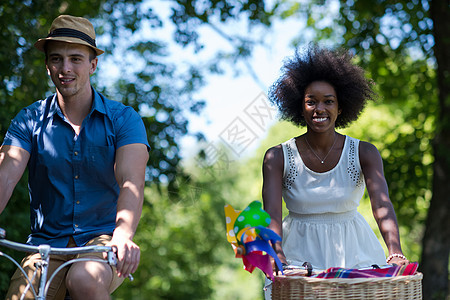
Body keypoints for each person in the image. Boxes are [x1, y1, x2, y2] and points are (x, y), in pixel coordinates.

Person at [0, 15, 149, 300]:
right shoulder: (29, 120)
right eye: (56, 59)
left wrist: (123, 235)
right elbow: (5, 176)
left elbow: (132, 180)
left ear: (93, 64)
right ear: (47, 65)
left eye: (76, 59)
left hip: (103, 241)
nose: (65, 68)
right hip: (46, 244)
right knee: (21, 296)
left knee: (84, 278)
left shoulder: (123, 120)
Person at [262, 45, 409, 297]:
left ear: (341, 108)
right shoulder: (277, 157)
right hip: (298, 257)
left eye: (328, 101)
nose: (320, 109)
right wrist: (276, 254)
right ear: (300, 107)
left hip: (355, 254)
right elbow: (271, 215)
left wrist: (395, 251)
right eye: (311, 102)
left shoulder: (365, 152)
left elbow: (382, 206)